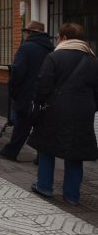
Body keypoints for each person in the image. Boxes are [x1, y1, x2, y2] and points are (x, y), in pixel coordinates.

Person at [27, 23, 98, 206]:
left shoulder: (55, 57)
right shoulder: (92, 60)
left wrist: (40, 102)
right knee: (76, 152)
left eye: (58, 36)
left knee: (47, 147)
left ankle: (44, 186)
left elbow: (43, 84)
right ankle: (72, 195)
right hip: (84, 111)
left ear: (65, 37)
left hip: (55, 109)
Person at [0, 21, 54, 161]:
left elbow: (17, 72)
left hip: (26, 94)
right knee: (41, 126)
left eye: (26, 31)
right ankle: (41, 157)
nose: (24, 34)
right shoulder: (51, 49)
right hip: (45, 94)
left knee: (22, 125)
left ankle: (11, 151)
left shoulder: (26, 47)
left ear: (31, 33)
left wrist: (13, 89)